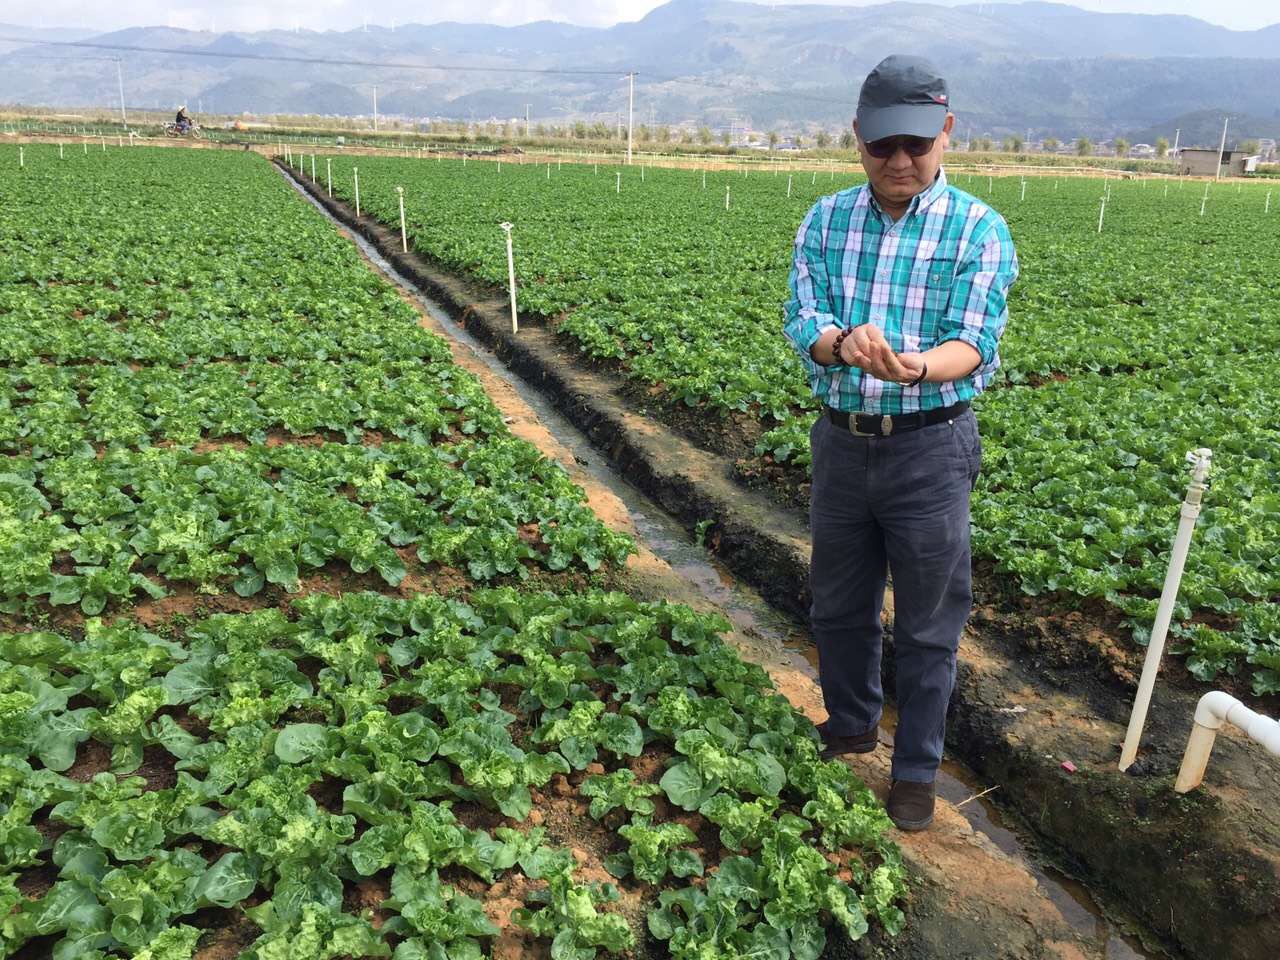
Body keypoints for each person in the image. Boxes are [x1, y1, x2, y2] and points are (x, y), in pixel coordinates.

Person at [782, 55, 1018, 831]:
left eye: (915, 144)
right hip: (843, 442)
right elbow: (803, 317)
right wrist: (839, 343)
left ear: (946, 132)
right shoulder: (825, 220)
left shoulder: (978, 229)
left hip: (930, 448)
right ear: (858, 136)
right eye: (882, 145)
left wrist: (915, 367)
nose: (899, 161)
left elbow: (974, 342)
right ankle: (852, 724)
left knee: (927, 624)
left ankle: (916, 768)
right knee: (839, 605)